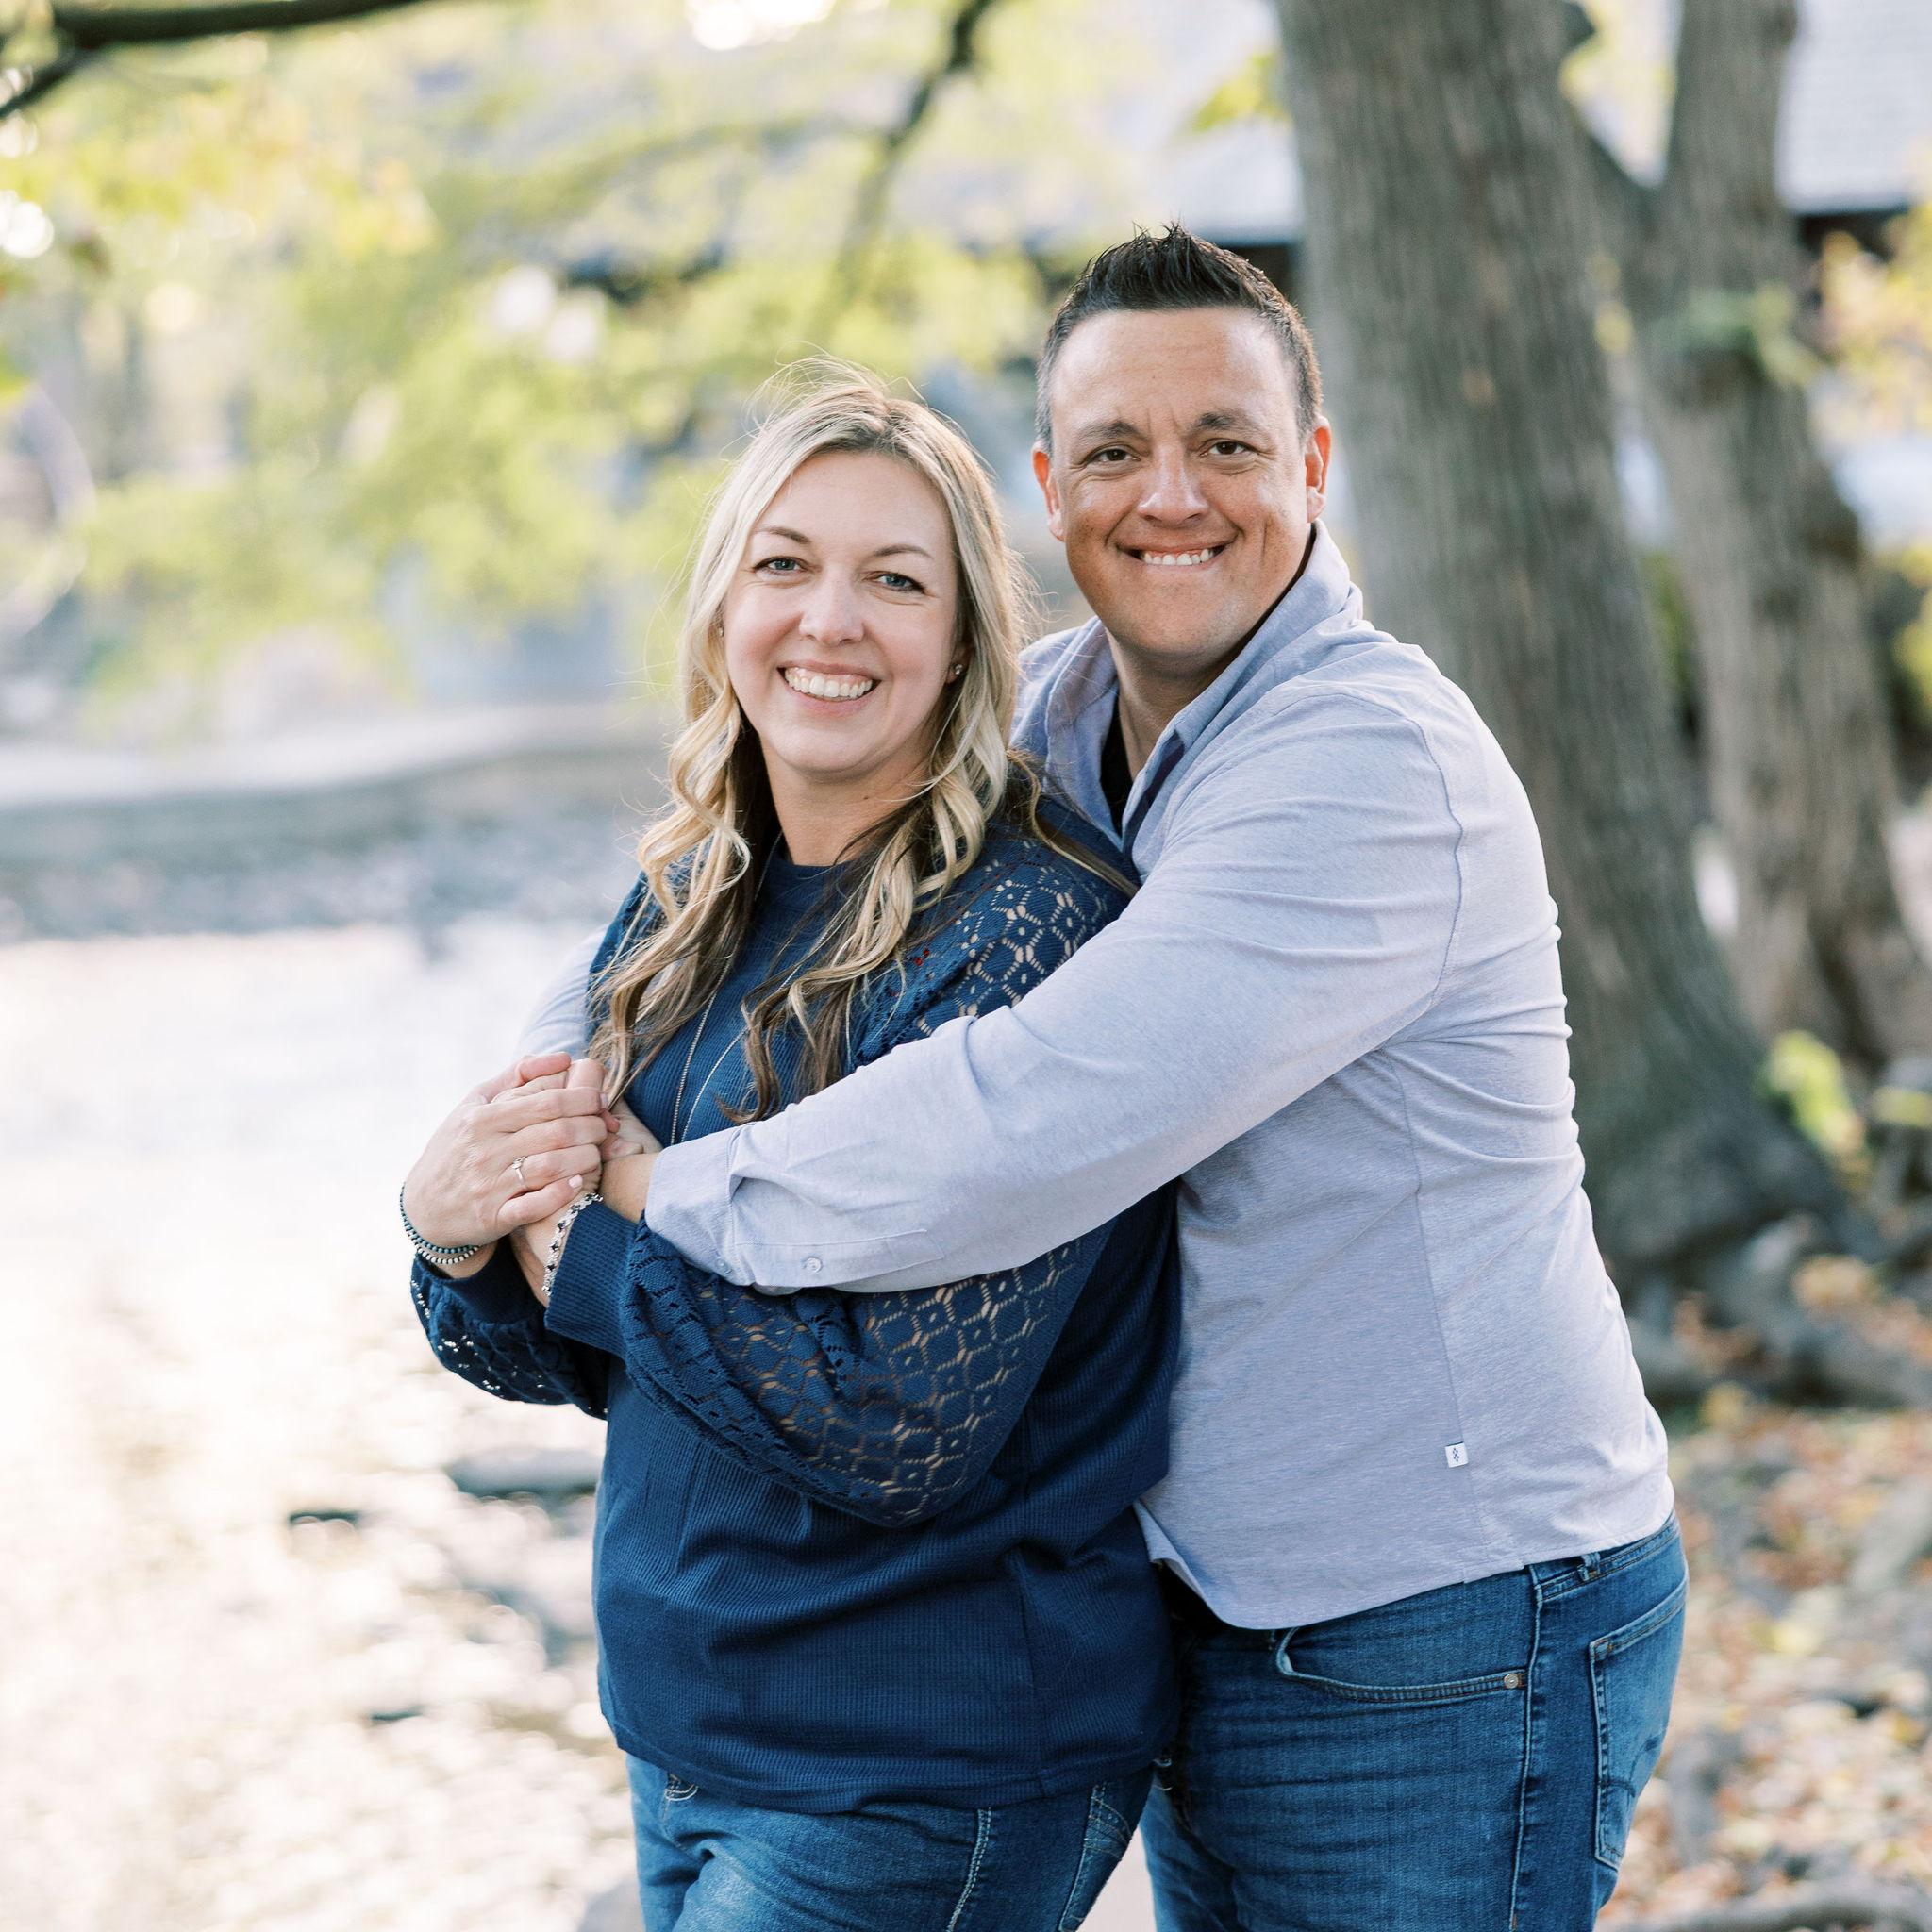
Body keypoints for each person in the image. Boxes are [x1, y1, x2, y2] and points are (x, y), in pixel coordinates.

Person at [485, 227, 1689, 1928]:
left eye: (1226, 444)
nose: (1169, 495)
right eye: (1116, 450)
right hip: (1205, 1591)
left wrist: (634, 1192)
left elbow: (1020, 1118)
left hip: (1449, 1606)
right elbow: (693, 894)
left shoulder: (1367, 766)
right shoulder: (1056, 716)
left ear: (1315, 466)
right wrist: (525, 1109)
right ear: (1051, 488)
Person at [398, 367, 1181, 1932]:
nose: (831, 619)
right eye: (786, 563)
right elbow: (551, 1349)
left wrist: (584, 1242)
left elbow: (894, 1422)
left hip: (923, 1768)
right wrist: (443, 1223)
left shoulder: (1030, 932)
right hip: (685, 1739)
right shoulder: (689, 897)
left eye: (894, 580)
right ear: (723, 606)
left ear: (965, 637)